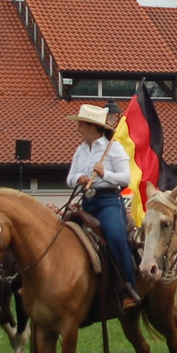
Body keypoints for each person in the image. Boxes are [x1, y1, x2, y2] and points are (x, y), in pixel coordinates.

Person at [65, 104, 141, 312]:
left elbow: (125, 178)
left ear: (92, 127)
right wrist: (78, 178)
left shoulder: (113, 148)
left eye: (81, 124)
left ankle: (128, 289)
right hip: (87, 201)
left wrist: (104, 173)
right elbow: (69, 178)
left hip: (109, 202)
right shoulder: (80, 150)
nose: (78, 128)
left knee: (116, 237)